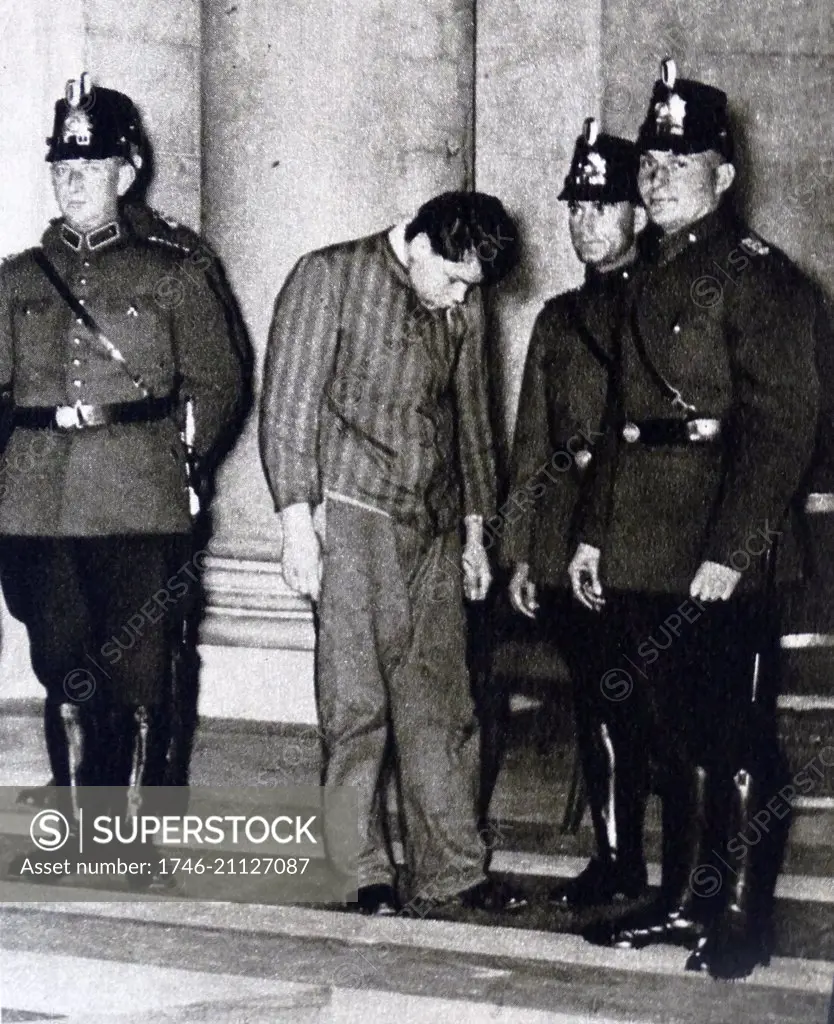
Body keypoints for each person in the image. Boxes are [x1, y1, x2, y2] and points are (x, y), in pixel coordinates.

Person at [570, 60, 825, 978]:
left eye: (683, 162)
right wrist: (595, 530)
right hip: (644, 537)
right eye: (652, 163)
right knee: (674, 733)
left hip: (724, 543)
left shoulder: (762, 279)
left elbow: (784, 426)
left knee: (737, 734)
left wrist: (732, 549)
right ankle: (685, 901)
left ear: (724, 176)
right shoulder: (644, 277)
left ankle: (745, 919)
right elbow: (618, 425)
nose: (659, 175)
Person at [259, 192, 525, 915]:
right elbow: (287, 407)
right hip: (352, 517)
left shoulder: (459, 301)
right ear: (419, 245)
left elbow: (473, 421)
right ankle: (357, 870)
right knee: (356, 706)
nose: (461, 298)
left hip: (433, 529)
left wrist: (476, 532)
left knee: (441, 704)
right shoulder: (329, 277)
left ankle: (453, 871)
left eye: (473, 287)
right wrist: (295, 526)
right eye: (453, 279)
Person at [0, 73, 244, 849]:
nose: (72, 181)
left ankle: (137, 837)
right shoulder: (13, 280)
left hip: (140, 496)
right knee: (62, 660)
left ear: (124, 172)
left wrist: (183, 460)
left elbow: (219, 379)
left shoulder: (173, 272)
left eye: (90, 167)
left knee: (140, 671)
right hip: (37, 501)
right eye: (62, 168)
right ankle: (78, 832)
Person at [503, 119, 650, 908]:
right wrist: (525, 552)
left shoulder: (668, 302)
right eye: (577, 207)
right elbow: (534, 439)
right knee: (600, 695)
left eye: (603, 206)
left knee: (646, 700)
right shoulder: (558, 318)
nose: (585, 223)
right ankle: (618, 857)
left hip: (649, 534)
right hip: (570, 540)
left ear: (638, 212)